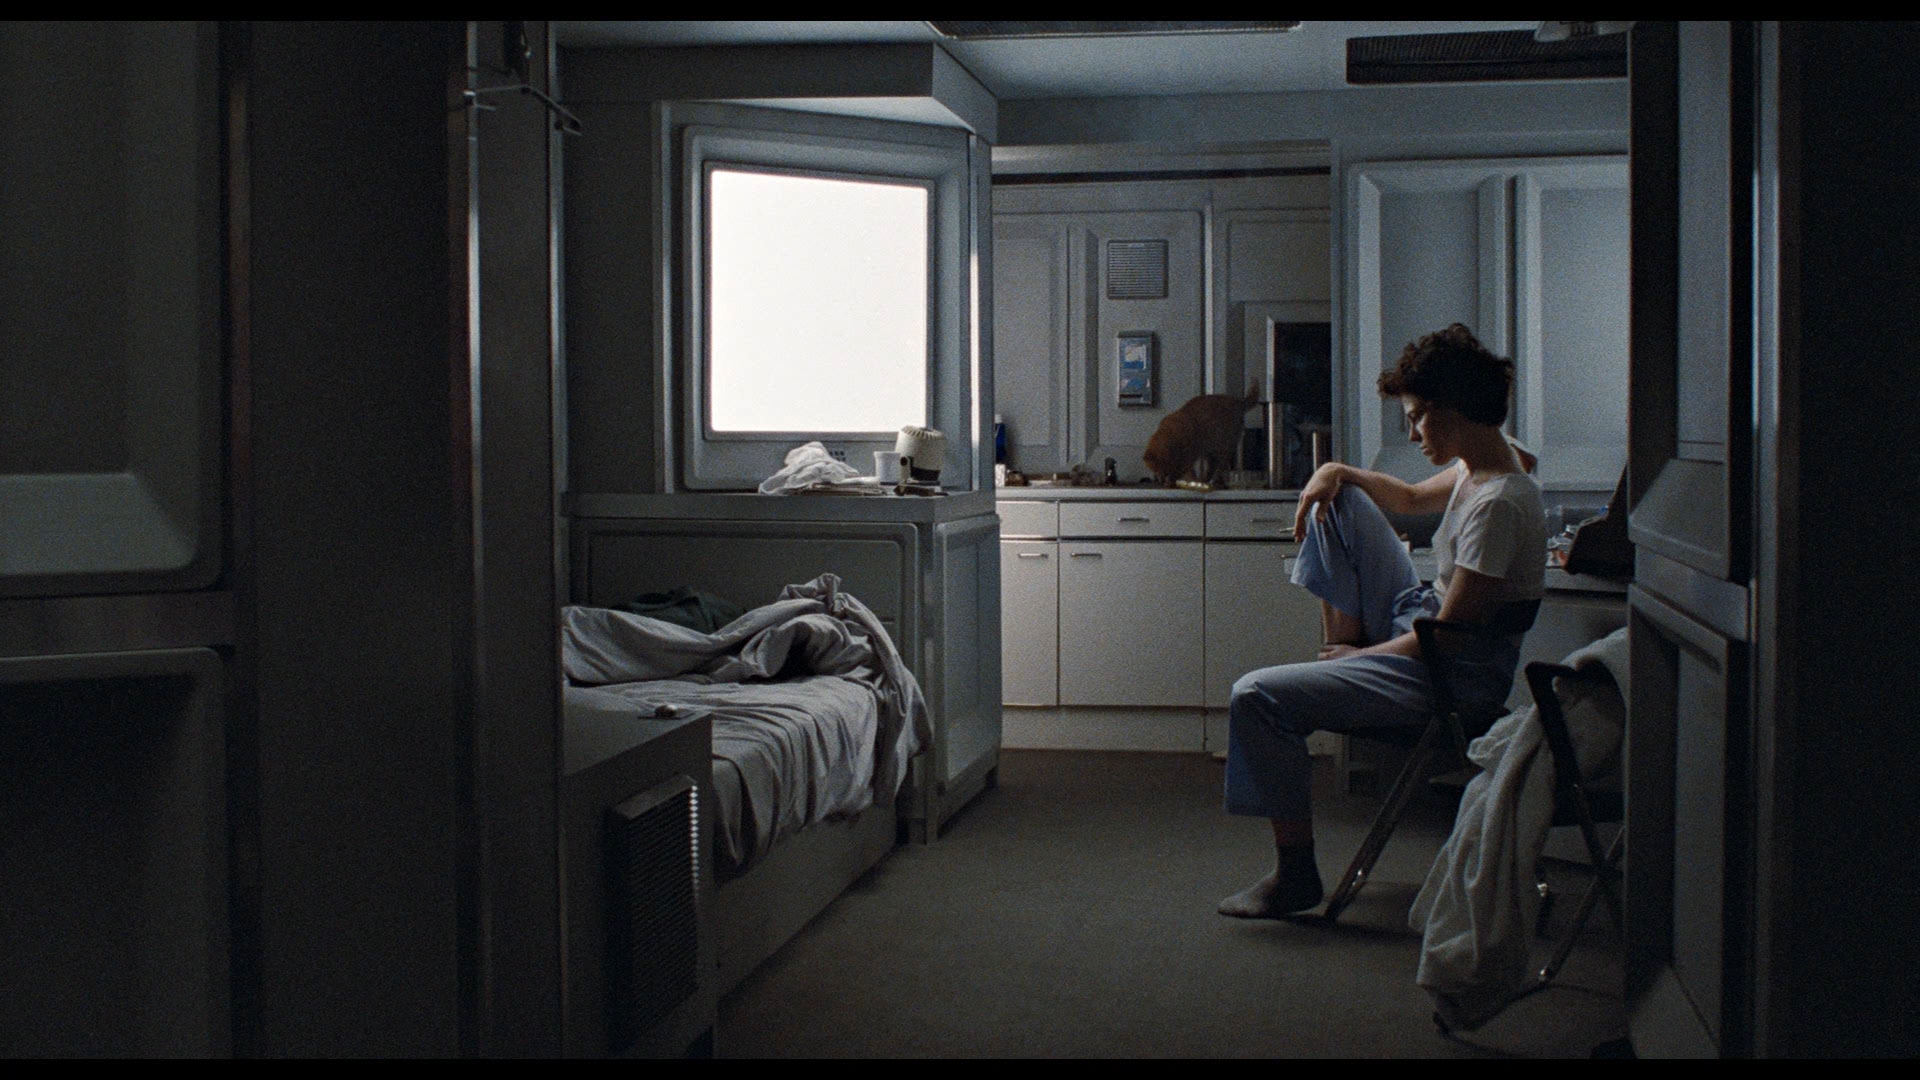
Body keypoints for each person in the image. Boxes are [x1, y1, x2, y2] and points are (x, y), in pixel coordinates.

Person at [1218, 323, 1548, 919]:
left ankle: (1296, 874)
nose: (1413, 433)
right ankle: (1339, 666)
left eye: (1419, 418)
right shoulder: (1483, 462)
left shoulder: (1499, 504)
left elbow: (1448, 639)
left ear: (1454, 411)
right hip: (1419, 626)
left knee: (1256, 696)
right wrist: (1335, 471)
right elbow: (1408, 499)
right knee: (1341, 500)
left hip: (1448, 678)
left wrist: (1364, 658)